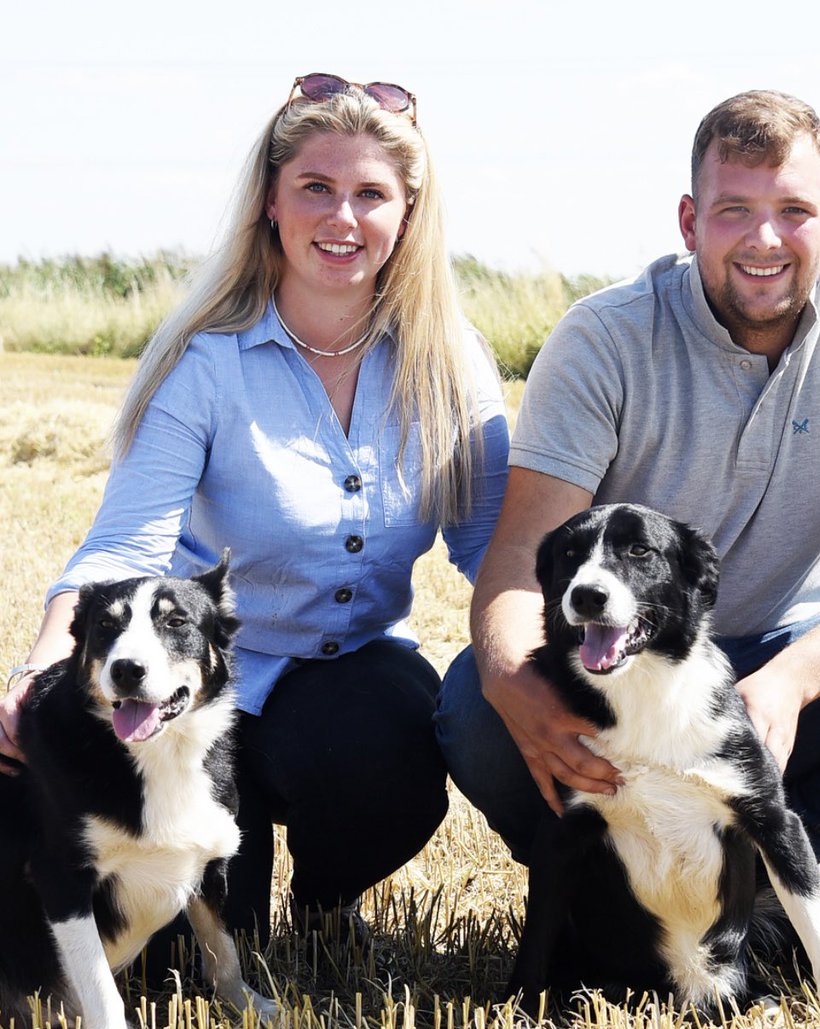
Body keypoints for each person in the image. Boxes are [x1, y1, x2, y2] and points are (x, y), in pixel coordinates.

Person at [0, 73, 509, 945]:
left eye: (370, 194)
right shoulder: (205, 363)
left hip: (346, 687)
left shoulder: (450, 361)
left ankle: (322, 898)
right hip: (188, 692)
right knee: (186, 967)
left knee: (392, 748)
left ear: (408, 214)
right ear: (272, 200)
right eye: (315, 187)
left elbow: (497, 548)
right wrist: (35, 673)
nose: (341, 218)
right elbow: (125, 542)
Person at [436, 89, 820, 868]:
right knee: (472, 700)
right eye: (734, 209)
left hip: (783, 649)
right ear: (689, 222)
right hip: (625, 663)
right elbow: (519, 556)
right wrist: (509, 681)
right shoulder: (602, 338)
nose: (765, 238)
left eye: (794, 210)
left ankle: (767, 879)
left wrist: (791, 682)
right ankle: (602, 885)